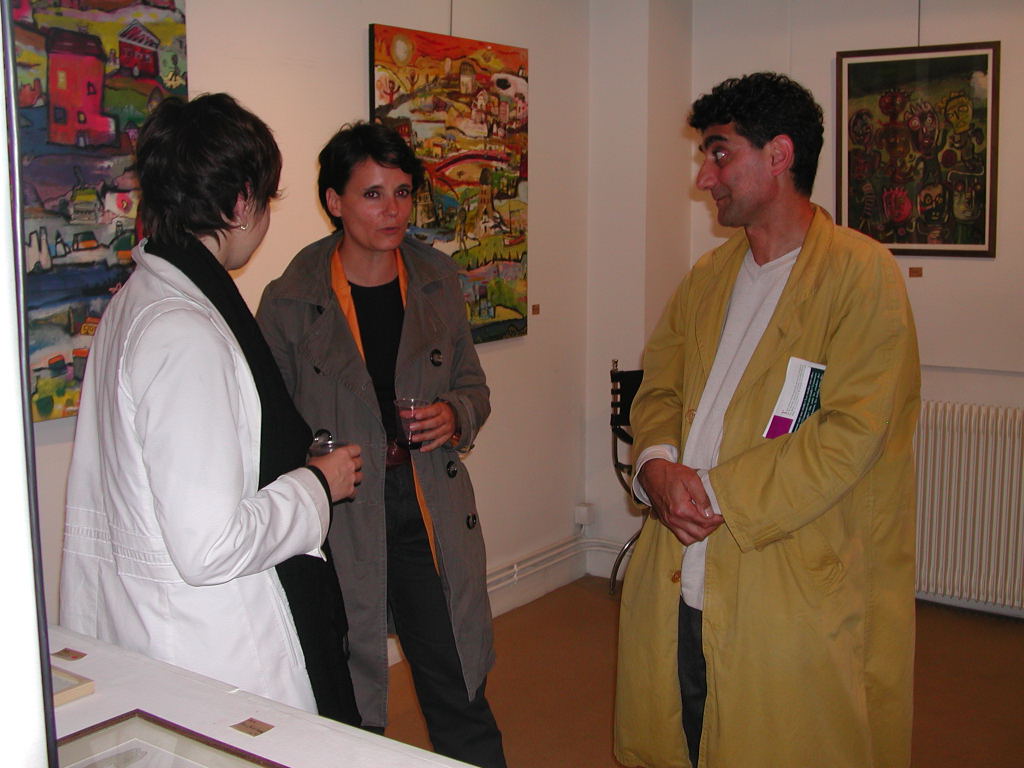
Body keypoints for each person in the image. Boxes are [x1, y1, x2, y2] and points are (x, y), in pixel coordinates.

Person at [613, 73, 921, 768]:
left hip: (788, 584)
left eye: (720, 154)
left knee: (778, 741)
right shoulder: (709, 277)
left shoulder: (862, 276)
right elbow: (659, 387)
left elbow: (849, 435)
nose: (704, 177)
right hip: (681, 574)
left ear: (779, 155)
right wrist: (655, 464)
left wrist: (711, 493)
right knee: (682, 731)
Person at [60, 93, 363, 722]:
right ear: (242, 202)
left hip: (156, 624)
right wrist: (317, 484)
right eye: (267, 200)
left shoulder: (137, 301)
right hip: (207, 643)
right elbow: (210, 545)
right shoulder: (184, 331)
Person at [257, 121, 505, 768]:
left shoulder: (436, 279)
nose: (392, 210)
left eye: (401, 193)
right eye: (372, 194)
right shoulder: (290, 300)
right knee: (350, 687)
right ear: (334, 201)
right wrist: (312, 463)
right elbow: (267, 425)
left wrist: (455, 414)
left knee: (456, 676)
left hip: (425, 505)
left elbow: (473, 386)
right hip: (340, 513)